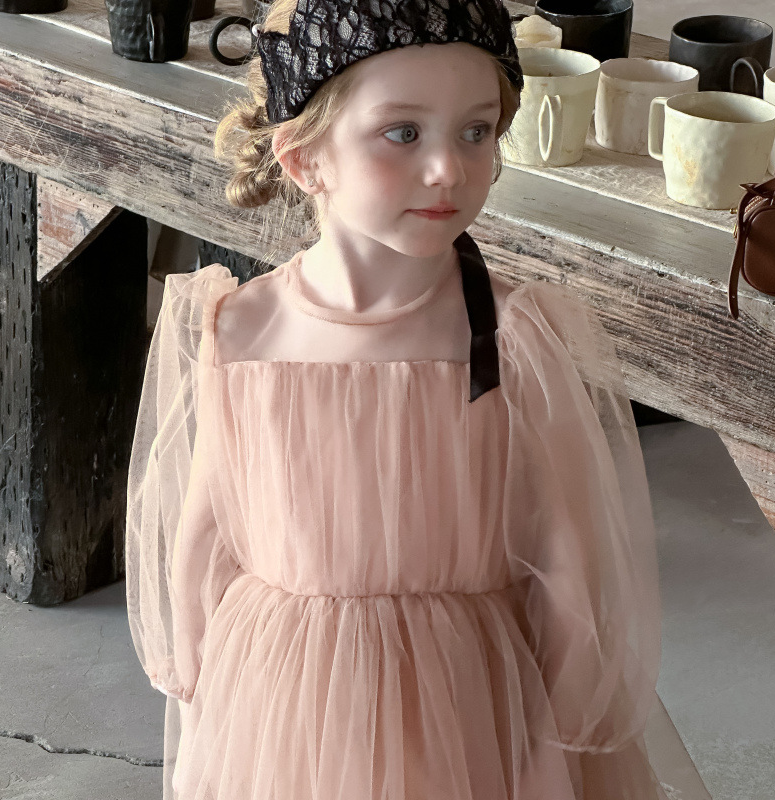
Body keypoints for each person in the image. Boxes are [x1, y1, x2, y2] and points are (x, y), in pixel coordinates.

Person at [125, 0, 666, 797]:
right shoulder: (240, 330)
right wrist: (207, 703)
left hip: (469, 711)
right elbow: (205, 534)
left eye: (475, 131)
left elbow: (568, 555)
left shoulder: (513, 337)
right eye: (403, 132)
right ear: (306, 160)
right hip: (292, 711)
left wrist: (555, 734)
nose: (448, 168)